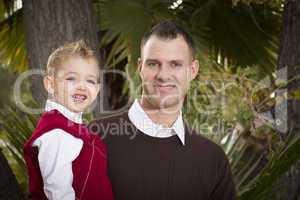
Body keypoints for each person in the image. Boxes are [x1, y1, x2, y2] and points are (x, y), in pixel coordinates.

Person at [89, 20, 236, 200]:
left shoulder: (212, 160)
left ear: (192, 70)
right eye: (153, 64)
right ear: (140, 67)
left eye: (175, 64)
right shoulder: (94, 138)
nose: (163, 75)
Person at [23, 40, 114, 200]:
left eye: (90, 81)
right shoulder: (57, 133)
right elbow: (58, 192)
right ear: (50, 84)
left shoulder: (71, 127)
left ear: (97, 90)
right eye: (72, 78)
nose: (82, 86)